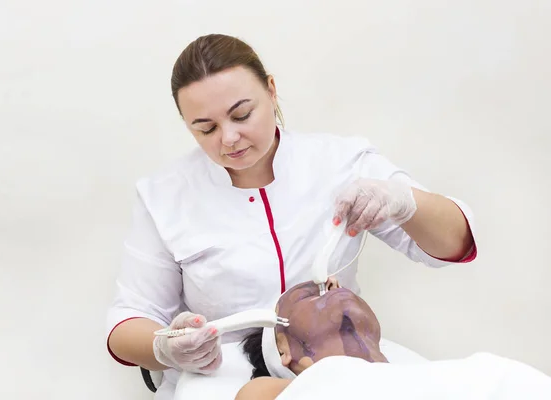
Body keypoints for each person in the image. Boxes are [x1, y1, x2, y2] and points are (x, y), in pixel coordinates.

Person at [105, 33, 477, 399]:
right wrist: (164, 348)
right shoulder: (164, 197)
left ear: (271, 90)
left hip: (340, 363)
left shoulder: (340, 162)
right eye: (206, 128)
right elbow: (129, 320)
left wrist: (404, 201)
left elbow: (454, 244)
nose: (229, 138)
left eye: (242, 114)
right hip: (223, 379)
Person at [236, 280, 551, 400]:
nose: (332, 285)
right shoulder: (270, 391)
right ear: (282, 349)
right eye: (310, 294)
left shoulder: (469, 371)